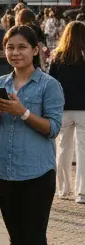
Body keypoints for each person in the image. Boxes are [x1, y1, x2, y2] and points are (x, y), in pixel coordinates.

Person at [0, 25, 64, 245]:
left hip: (37, 173)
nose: (15, 53)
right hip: (5, 171)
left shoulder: (49, 85)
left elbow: (53, 129)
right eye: (10, 47)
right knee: (16, 239)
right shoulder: (0, 83)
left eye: (21, 47)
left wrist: (23, 112)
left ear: (35, 50)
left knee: (35, 238)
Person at [47, 21, 85, 203]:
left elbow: (51, 83)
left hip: (63, 109)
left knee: (63, 149)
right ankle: (82, 192)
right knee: (83, 151)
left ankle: (64, 189)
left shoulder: (58, 57)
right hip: (84, 109)